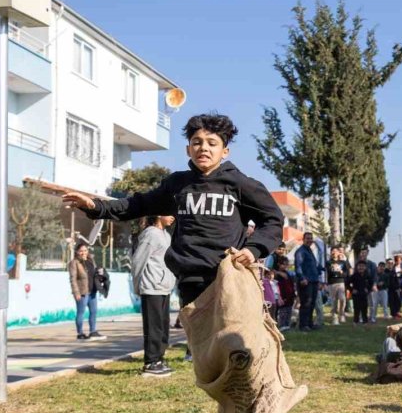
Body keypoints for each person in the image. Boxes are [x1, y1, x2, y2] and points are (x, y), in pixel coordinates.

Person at [62, 113, 284, 349]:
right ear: (188, 149)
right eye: (197, 142)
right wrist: (96, 206)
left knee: (234, 349)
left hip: (229, 277)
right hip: (191, 281)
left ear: (224, 151)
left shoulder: (240, 184)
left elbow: (273, 220)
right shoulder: (178, 185)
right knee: (203, 353)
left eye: (212, 143)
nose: (203, 148)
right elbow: (137, 204)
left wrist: (252, 250)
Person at [131, 215, 176, 377]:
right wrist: (137, 286)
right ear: (158, 215)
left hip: (164, 288)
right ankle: (150, 363)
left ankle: (159, 359)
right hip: (151, 287)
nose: (172, 217)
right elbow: (138, 260)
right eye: (168, 214)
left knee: (163, 327)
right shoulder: (150, 234)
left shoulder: (166, 234)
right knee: (153, 327)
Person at [67, 243, 107, 341]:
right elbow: (73, 279)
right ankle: (80, 334)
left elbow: (94, 274)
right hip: (82, 292)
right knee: (81, 312)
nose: (83, 253)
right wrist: (76, 292)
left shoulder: (91, 261)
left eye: (85, 250)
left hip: (92, 291)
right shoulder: (74, 263)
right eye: (81, 251)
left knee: (93, 312)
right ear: (77, 252)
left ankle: (93, 332)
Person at [294, 232, 323, 331]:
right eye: (307, 238)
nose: (309, 240)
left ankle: (309, 324)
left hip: (314, 281)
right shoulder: (300, 251)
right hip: (306, 282)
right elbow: (298, 266)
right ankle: (303, 325)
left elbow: (314, 266)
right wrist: (302, 278)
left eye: (311, 238)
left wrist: (321, 269)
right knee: (306, 303)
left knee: (312, 303)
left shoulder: (310, 251)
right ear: (303, 239)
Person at [326, 245, 351, 325]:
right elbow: (327, 273)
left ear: (338, 252)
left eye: (335, 251)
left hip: (341, 282)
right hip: (332, 283)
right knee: (334, 301)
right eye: (332, 251)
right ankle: (334, 317)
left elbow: (347, 272)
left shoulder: (343, 262)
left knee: (342, 299)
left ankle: (342, 314)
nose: (333, 253)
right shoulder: (328, 262)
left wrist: (342, 272)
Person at [357, 249, 379, 323]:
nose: (363, 254)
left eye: (364, 253)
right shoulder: (357, 264)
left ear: (367, 253)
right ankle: (360, 317)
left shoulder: (372, 264)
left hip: (370, 286)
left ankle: (372, 317)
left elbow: (375, 276)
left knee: (372, 303)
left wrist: (374, 285)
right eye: (362, 252)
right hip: (360, 286)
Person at [274, 256, 296, 331]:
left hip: (290, 296)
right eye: (284, 264)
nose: (286, 266)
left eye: (287, 264)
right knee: (283, 312)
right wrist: (277, 272)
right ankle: (282, 325)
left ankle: (287, 325)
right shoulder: (276, 274)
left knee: (289, 311)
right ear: (279, 264)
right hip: (282, 296)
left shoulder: (287, 273)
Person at [347, 260, 372, 324]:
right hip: (356, 295)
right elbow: (347, 283)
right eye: (359, 266)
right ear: (357, 267)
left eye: (363, 266)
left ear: (365, 267)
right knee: (356, 308)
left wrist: (368, 289)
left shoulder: (368, 275)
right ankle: (356, 321)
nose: (361, 268)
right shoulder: (354, 275)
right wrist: (352, 290)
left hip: (364, 294)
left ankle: (365, 321)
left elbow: (371, 284)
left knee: (364, 308)